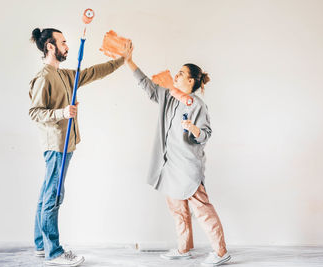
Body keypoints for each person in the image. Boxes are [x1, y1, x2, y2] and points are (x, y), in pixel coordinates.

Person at [29, 27, 130, 266]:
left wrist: (121, 61)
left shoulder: (63, 76)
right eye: (63, 42)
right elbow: (34, 113)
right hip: (56, 147)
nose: (67, 46)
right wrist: (63, 112)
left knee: (47, 195)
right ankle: (54, 253)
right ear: (50, 46)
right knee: (53, 196)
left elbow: (93, 72)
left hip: (66, 144)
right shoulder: (44, 77)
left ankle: (41, 245)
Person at [124, 43, 231, 266]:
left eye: (181, 73)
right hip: (169, 165)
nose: (176, 75)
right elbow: (147, 85)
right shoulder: (168, 96)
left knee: (202, 209)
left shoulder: (197, 105)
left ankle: (221, 252)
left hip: (188, 166)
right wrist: (129, 60)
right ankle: (184, 249)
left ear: (191, 81)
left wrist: (194, 130)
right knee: (177, 209)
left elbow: (205, 134)